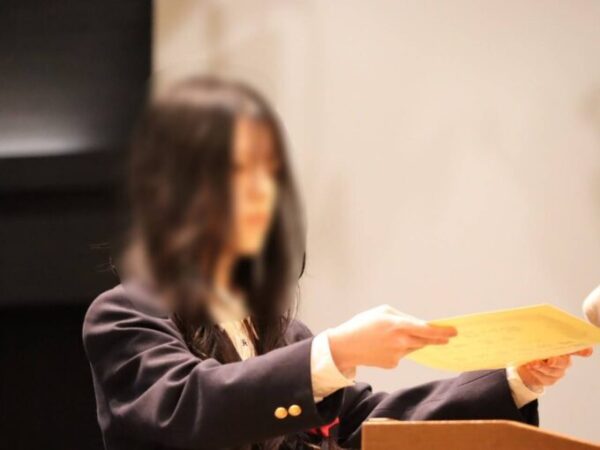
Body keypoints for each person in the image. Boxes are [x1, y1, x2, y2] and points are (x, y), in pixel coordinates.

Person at [82, 76, 592, 450]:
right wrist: (336, 351)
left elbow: (366, 426)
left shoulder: (285, 336)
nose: (262, 193)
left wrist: (514, 380)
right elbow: (186, 406)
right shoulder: (122, 316)